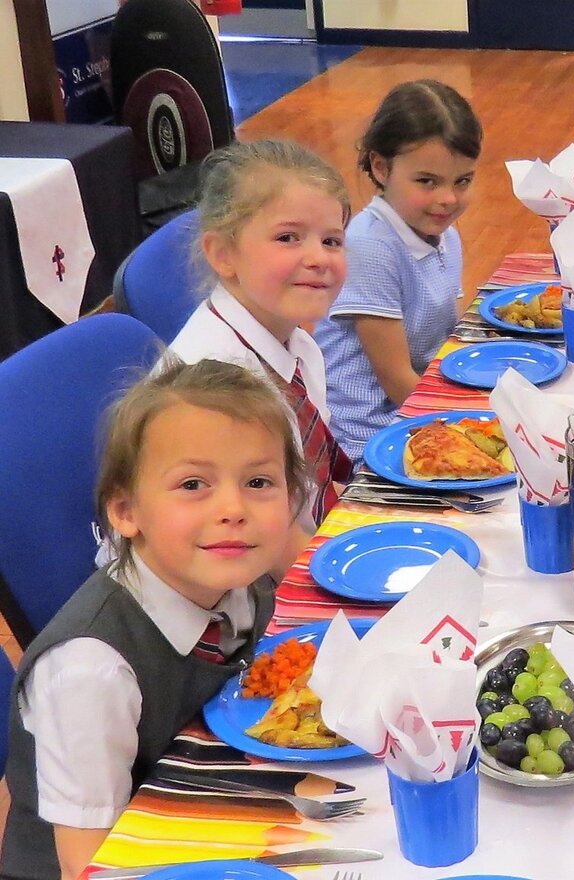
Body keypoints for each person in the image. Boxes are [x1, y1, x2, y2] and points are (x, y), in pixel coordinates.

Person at [0, 359, 307, 880]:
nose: (233, 508)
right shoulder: (89, 672)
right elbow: (87, 866)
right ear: (125, 512)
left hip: (201, 799)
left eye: (258, 481)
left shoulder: (235, 579)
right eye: (193, 484)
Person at [169, 139, 351, 530]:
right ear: (223, 255)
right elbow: (264, 541)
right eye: (288, 237)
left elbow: (310, 487)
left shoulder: (298, 345)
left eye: (331, 240)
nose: (319, 258)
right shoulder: (216, 387)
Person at [314, 79, 481, 459]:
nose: (448, 199)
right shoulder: (370, 245)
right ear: (381, 167)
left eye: (463, 181)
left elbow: (443, 342)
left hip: (415, 410)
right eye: (427, 181)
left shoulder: (444, 233)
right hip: (367, 438)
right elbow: (397, 381)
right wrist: (473, 425)